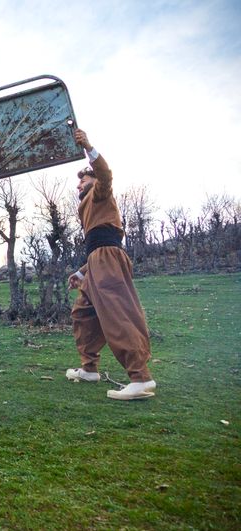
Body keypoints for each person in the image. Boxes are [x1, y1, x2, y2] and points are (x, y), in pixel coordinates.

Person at [66, 128, 157, 400]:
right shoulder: (87, 206)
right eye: (79, 182)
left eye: (84, 180)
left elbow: (105, 175)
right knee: (83, 313)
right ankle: (90, 369)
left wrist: (88, 147)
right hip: (97, 261)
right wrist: (82, 271)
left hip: (108, 259)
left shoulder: (100, 192)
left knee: (118, 315)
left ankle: (140, 378)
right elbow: (96, 241)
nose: (79, 185)